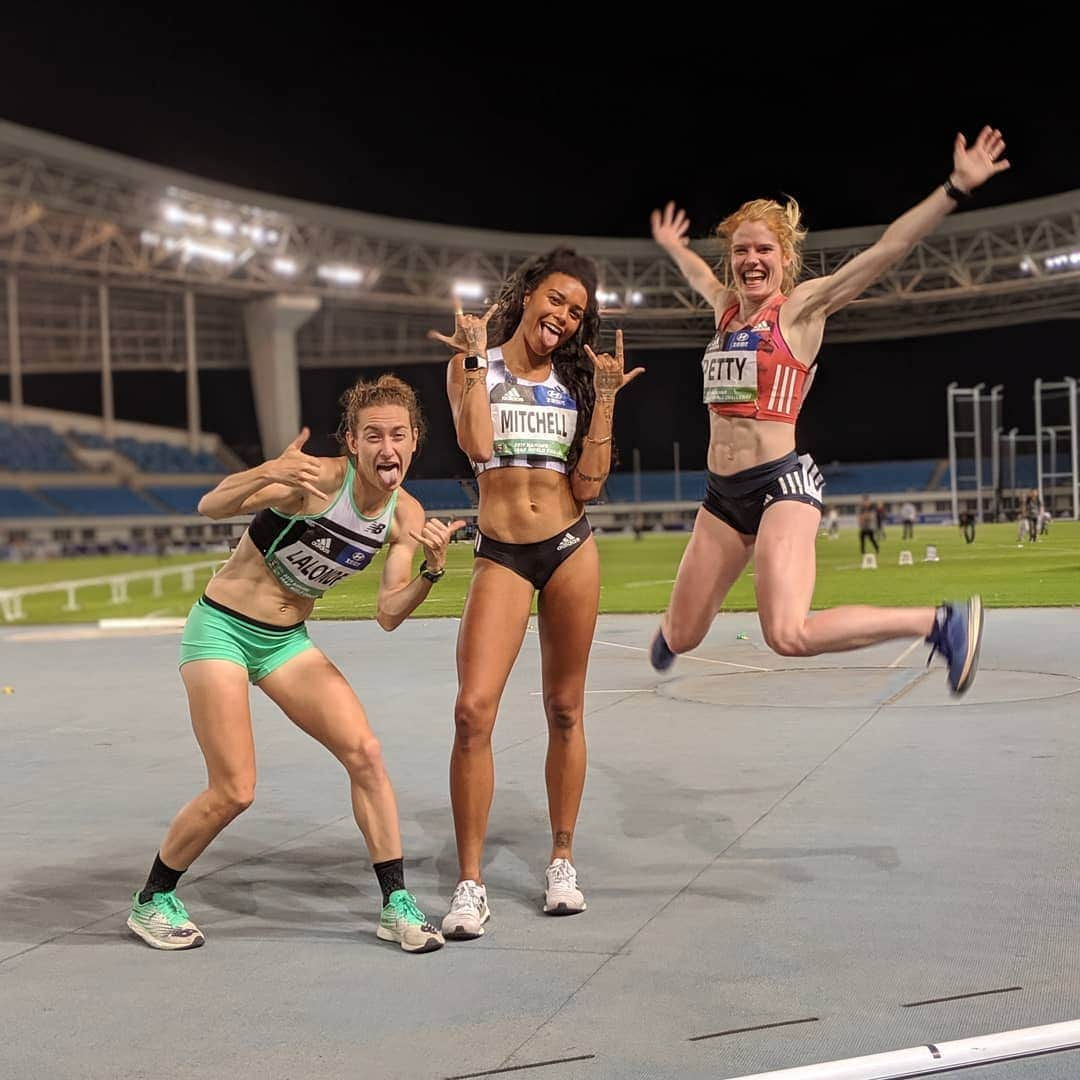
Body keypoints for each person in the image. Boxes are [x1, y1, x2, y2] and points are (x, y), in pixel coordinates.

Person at [648, 125, 1009, 695]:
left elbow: (889, 249)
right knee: (685, 635)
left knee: (787, 633)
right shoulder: (723, 309)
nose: (751, 260)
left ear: (785, 258)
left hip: (780, 485)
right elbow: (698, 274)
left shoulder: (801, 309)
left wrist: (955, 187)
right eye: (741, 250)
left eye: (764, 249)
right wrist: (674, 247)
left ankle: (940, 623)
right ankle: (674, 631)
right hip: (721, 497)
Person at [127, 375, 461, 954]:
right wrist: (267, 475)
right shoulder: (315, 482)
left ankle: (395, 905)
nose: (388, 448)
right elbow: (211, 506)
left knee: (366, 753)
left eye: (399, 436)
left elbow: (387, 612)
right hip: (223, 629)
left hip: (285, 641)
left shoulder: (406, 515)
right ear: (352, 443)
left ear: (414, 442)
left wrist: (431, 573)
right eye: (373, 435)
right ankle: (153, 897)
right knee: (235, 789)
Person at [427, 247, 642, 939]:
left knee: (566, 710)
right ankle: (469, 885)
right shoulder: (475, 363)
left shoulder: (576, 381)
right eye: (556, 300)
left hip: (570, 546)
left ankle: (561, 859)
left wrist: (604, 398)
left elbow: (590, 485)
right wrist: (468, 358)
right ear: (526, 297)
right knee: (472, 712)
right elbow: (477, 445)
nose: (564, 317)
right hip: (503, 554)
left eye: (577, 311)